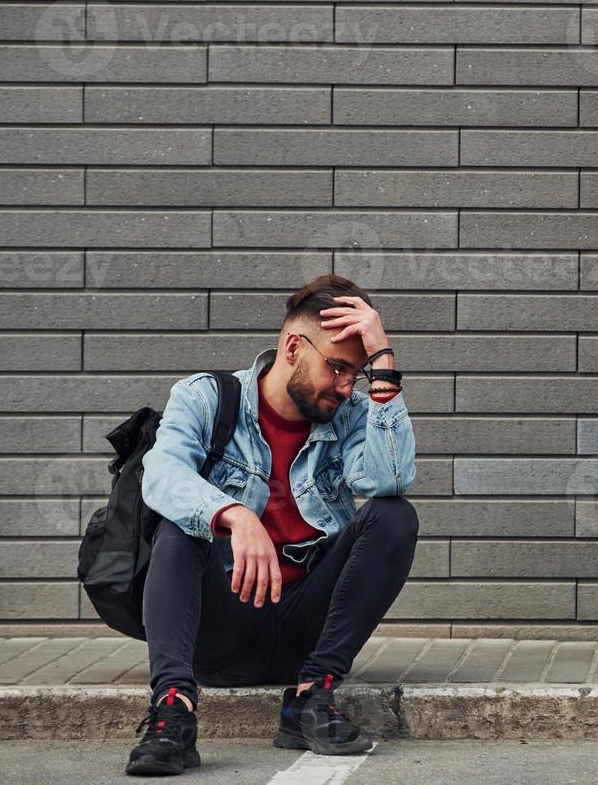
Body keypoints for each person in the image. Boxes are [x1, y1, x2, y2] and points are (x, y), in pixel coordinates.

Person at [125, 274, 417, 775]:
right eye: (338, 368)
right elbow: (162, 474)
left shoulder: (347, 414)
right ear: (293, 347)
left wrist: (383, 364)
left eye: (358, 372)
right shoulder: (206, 398)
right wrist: (233, 514)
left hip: (307, 630)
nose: (348, 385)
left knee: (394, 516)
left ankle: (310, 697)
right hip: (221, 631)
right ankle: (174, 708)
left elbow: (389, 480)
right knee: (181, 525)